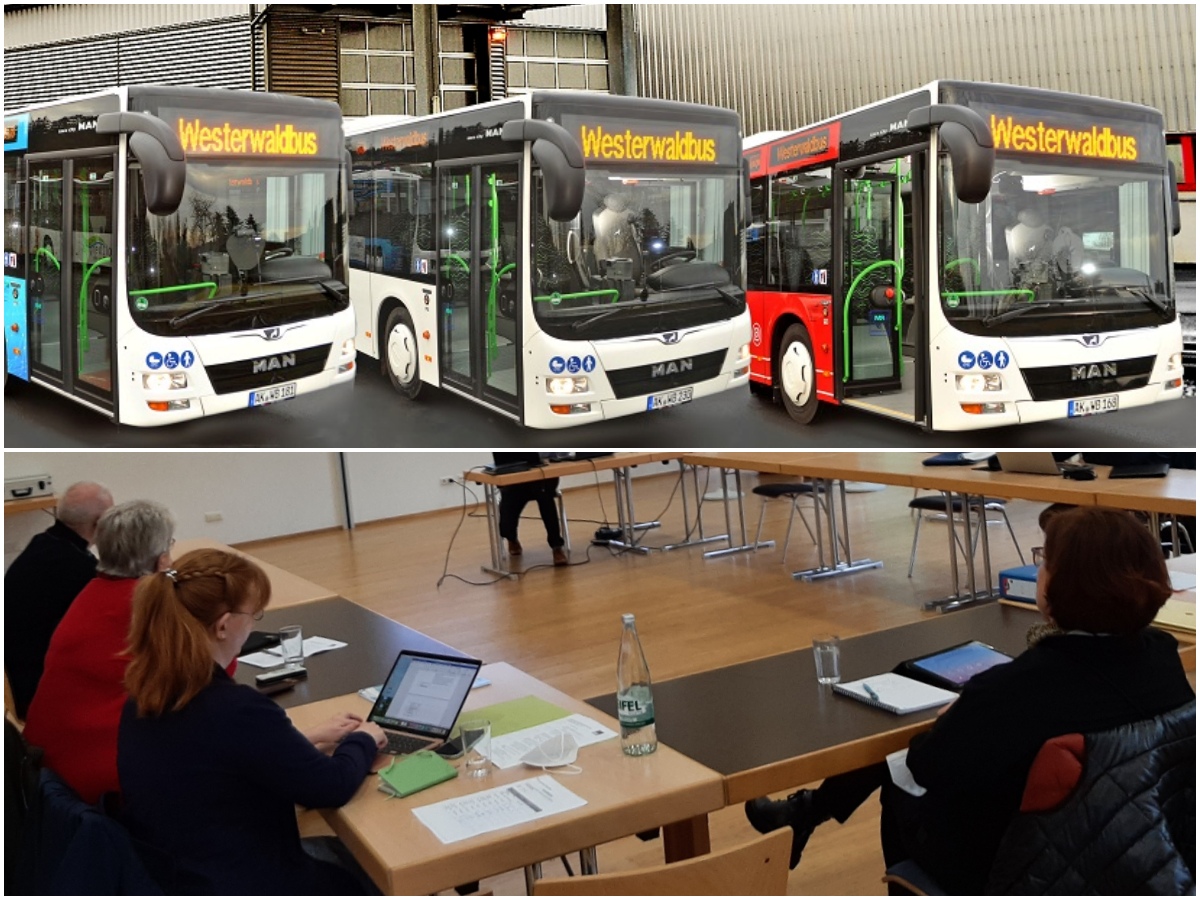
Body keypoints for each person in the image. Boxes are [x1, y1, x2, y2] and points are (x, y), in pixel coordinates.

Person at [745, 506, 1194, 893]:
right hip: (1143, 849)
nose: (1038, 571)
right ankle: (805, 813)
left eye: (1044, 563)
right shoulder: (1161, 657)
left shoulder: (1016, 689)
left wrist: (954, 719)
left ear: (1067, 585)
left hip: (1026, 867)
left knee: (901, 777)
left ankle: (807, 814)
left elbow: (928, 767)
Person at [118, 548, 386, 895]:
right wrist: (362, 738)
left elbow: (216, 763)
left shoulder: (144, 695)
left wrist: (305, 738)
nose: (255, 623)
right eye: (254, 614)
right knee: (370, 874)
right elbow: (330, 786)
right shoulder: (236, 709)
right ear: (224, 625)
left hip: (181, 875)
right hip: (251, 880)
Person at [22, 499, 174, 805]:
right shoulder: (149, 607)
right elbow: (213, 673)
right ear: (161, 559)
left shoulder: (89, 594)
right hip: (99, 781)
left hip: (47, 767)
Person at [4, 480, 113, 718]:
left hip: (17, 675)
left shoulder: (43, 543)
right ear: (100, 523)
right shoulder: (77, 568)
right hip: (40, 691)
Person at [493, 452, 568, 566]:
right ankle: (511, 538)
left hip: (543, 477)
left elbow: (559, 453)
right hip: (516, 479)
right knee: (507, 518)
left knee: (545, 498)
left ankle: (556, 547)